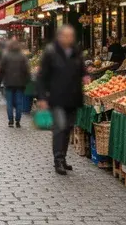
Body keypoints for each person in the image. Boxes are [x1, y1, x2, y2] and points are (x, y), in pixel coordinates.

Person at [36, 25, 85, 175]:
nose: (70, 39)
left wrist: (86, 76)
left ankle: (62, 158)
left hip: (73, 97)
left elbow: (82, 69)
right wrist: (42, 97)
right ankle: (57, 160)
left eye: (71, 36)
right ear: (60, 37)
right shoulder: (51, 52)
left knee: (68, 128)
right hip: (57, 97)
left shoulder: (76, 52)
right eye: (67, 36)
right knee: (59, 128)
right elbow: (42, 77)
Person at [0, 41, 31, 128]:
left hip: (8, 82)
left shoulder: (6, 56)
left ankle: (10, 120)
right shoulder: (22, 56)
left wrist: (3, 78)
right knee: (19, 102)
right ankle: (18, 120)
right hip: (20, 83)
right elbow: (27, 70)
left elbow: (1, 69)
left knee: (9, 102)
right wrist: (26, 81)